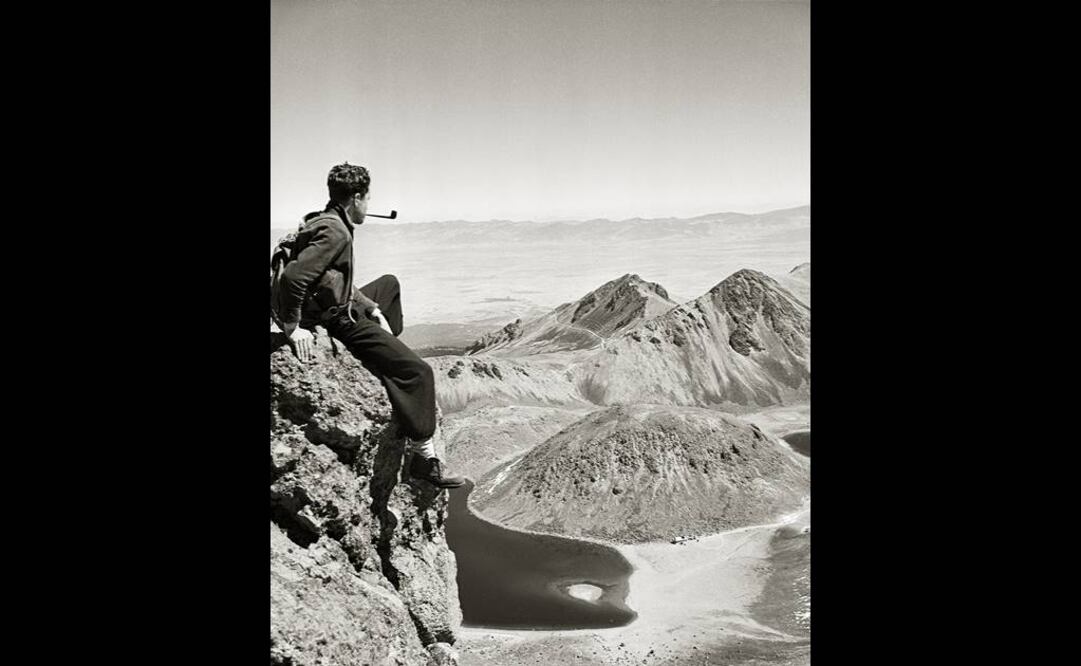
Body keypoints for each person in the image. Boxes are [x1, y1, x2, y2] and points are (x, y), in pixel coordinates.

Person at [273, 162, 465, 489]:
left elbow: (336, 281)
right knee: (419, 373)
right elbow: (293, 279)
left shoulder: (324, 221)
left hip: (341, 306)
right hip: (337, 321)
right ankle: (423, 461)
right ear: (357, 198)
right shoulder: (336, 231)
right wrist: (294, 327)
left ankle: (386, 350)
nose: (369, 206)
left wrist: (372, 308)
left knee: (389, 285)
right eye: (367, 199)